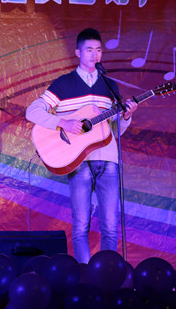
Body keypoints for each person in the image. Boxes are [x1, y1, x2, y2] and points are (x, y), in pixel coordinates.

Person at [26, 28, 138, 263]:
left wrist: (126, 116)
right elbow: (32, 111)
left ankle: (107, 271)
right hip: (78, 160)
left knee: (111, 226)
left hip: (108, 159)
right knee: (80, 226)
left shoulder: (110, 86)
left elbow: (113, 132)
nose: (94, 55)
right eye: (89, 50)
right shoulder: (63, 84)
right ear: (78, 52)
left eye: (98, 50)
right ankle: (84, 273)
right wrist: (63, 122)